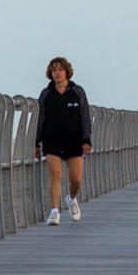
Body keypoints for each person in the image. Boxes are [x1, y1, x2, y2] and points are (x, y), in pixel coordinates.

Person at [37, 56, 93, 225]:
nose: (57, 73)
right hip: (51, 140)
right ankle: (54, 212)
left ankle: (71, 198)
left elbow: (85, 116)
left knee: (76, 180)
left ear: (67, 72)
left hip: (74, 140)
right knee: (55, 175)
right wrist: (36, 142)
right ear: (50, 73)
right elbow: (40, 119)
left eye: (60, 69)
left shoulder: (78, 92)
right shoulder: (46, 93)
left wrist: (86, 139)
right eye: (54, 70)